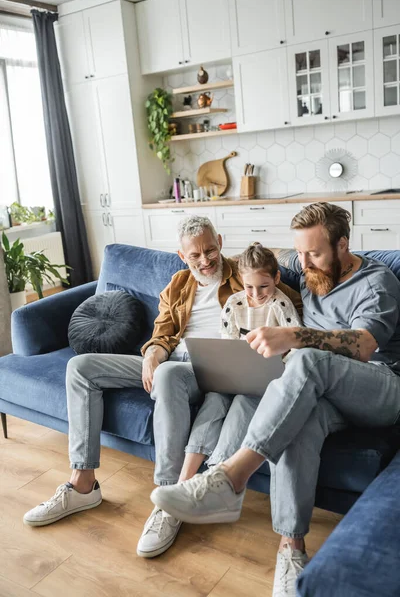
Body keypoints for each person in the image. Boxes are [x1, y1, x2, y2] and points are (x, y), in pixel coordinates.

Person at [150, 202, 400, 597]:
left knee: (304, 359)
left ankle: (231, 479)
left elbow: (366, 345)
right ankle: (291, 547)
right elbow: (254, 265)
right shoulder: (308, 272)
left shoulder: (377, 281)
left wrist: (294, 338)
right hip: (325, 391)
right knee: (294, 413)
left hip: (382, 387)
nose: (305, 263)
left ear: (342, 245)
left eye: (314, 253)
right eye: (299, 254)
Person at [22, 216, 301, 539]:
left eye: (209, 250)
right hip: (174, 358)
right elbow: (163, 331)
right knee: (81, 367)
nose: (204, 260)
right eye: (194, 255)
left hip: (211, 370)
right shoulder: (179, 284)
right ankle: (82, 484)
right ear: (182, 256)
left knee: (167, 374)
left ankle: (168, 499)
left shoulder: (242, 277)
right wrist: (153, 352)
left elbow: (286, 300)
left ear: (220, 243)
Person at [174, 243, 302, 504]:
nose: (256, 294)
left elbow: (295, 348)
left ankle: (214, 478)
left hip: (267, 379)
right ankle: (183, 481)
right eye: (249, 287)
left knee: (243, 402)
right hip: (235, 374)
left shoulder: (281, 304)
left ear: (276, 278)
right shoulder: (234, 303)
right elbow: (227, 343)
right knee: (214, 401)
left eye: (264, 286)